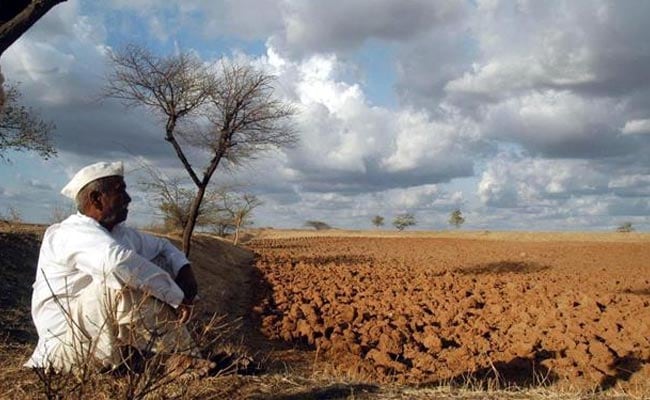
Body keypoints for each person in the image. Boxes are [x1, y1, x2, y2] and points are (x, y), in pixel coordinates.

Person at [25, 161, 213, 375]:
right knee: (119, 282)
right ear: (96, 199)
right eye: (120, 191)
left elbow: (163, 246)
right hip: (67, 346)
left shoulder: (119, 233)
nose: (128, 198)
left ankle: (182, 357)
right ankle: (181, 358)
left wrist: (184, 269)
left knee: (155, 265)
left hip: (100, 337)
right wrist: (177, 298)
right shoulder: (69, 233)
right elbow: (117, 264)